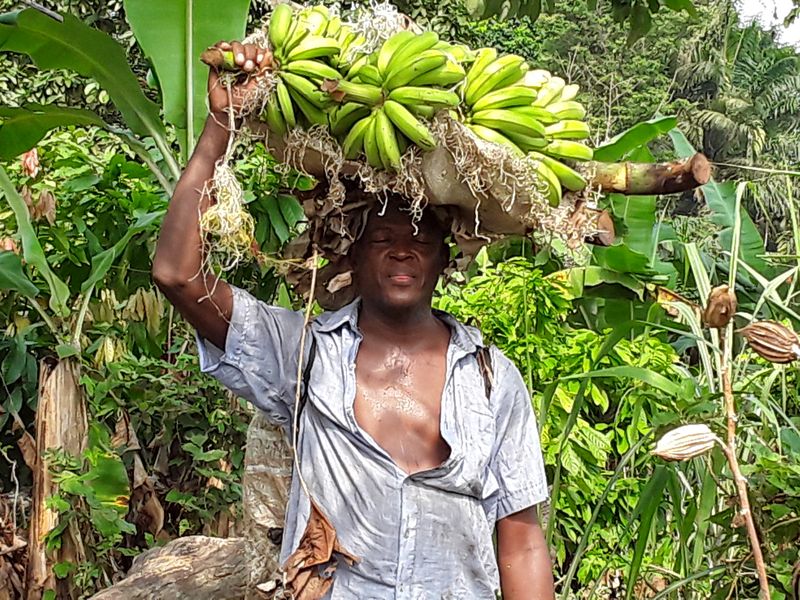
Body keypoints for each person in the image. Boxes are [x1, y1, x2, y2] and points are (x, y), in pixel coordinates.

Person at [152, 40, 555, 600]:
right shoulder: (305, 354)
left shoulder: (491, 378)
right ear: (351, 255)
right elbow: (177, 275)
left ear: (444, 258)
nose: (402, 252)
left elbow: (522, 540)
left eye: (419, 240)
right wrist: (220, 127)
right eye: (383, 239)